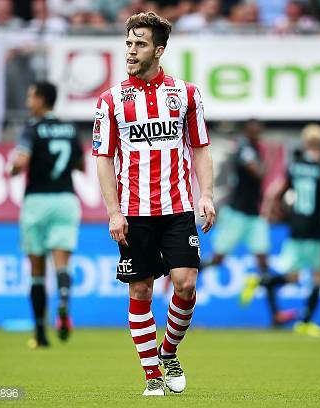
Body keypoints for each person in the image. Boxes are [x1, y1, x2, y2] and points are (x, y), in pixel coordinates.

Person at [93, 11, 215, 397]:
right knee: (141, 292)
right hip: (134, 211)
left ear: (158, 50)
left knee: (186, 283)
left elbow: (199, 147)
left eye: (140, 43)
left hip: (177, 207)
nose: (131, 50)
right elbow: (103, 157)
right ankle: (152, 378)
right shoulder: (111, 100)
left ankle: (169, 351)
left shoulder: (186, 94)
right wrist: (113, 211)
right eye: (128, 42)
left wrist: (206, 194)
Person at [242, 124, 320, 337]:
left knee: (292, 277)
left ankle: (259, 281)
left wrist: (266, 212)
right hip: (316, 231)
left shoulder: (294, 166)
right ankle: (305, 322)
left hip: (296, 229)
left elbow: (274, 191)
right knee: (319, 277)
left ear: (304, 143)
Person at [7, 81, 83, 348]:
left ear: (41, 99)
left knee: (37, 270)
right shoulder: (70, 128)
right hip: (65, 199)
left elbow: (21, 163)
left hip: (37, 201)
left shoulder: (32, 128)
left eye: (30, 96)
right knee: (62, 264)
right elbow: (81, 165)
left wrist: (12, 168)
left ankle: (40, 333)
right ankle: (63, 301)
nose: (29, 102)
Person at [202, 119, 295, 326]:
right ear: (247, 130)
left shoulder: (253, 148)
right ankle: (181, 270)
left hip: (254, 217)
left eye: (260, 127)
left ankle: (276, 314)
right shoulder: (244, 148)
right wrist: (268, 163)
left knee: (264, 266)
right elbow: (258, 172)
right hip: (236, 215)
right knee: (217, 260)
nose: (258, 130)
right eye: (254, 127)